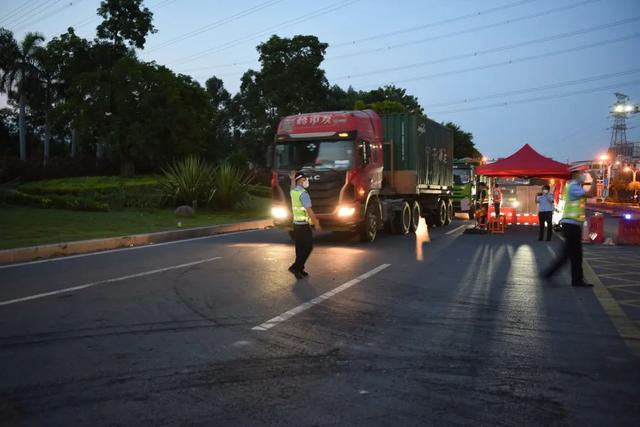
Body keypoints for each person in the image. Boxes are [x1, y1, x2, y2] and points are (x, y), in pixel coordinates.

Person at [541, 166, 596, 287]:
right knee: (571, 254)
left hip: (573, 224)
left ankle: (575, 279)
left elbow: (590, 195)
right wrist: (595, 179)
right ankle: (553, 275)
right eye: (582, 173)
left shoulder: (574, 186)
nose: (584, 175)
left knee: (573, 254)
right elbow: (592, 194)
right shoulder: (573, 187)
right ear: (575, 174)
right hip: (571, 224)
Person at [288, 171, 321, 279]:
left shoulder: (294, 192)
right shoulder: (303, 194)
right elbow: (309, 211)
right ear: (300, 181)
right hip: (303, 225)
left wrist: (292, 179)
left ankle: (300, 269)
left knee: (299, 248)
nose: (306, 181)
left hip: (296, 225)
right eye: (304, 179)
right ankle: (295, 267)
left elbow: (292, 187)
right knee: (308, 247)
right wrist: (316, 224)